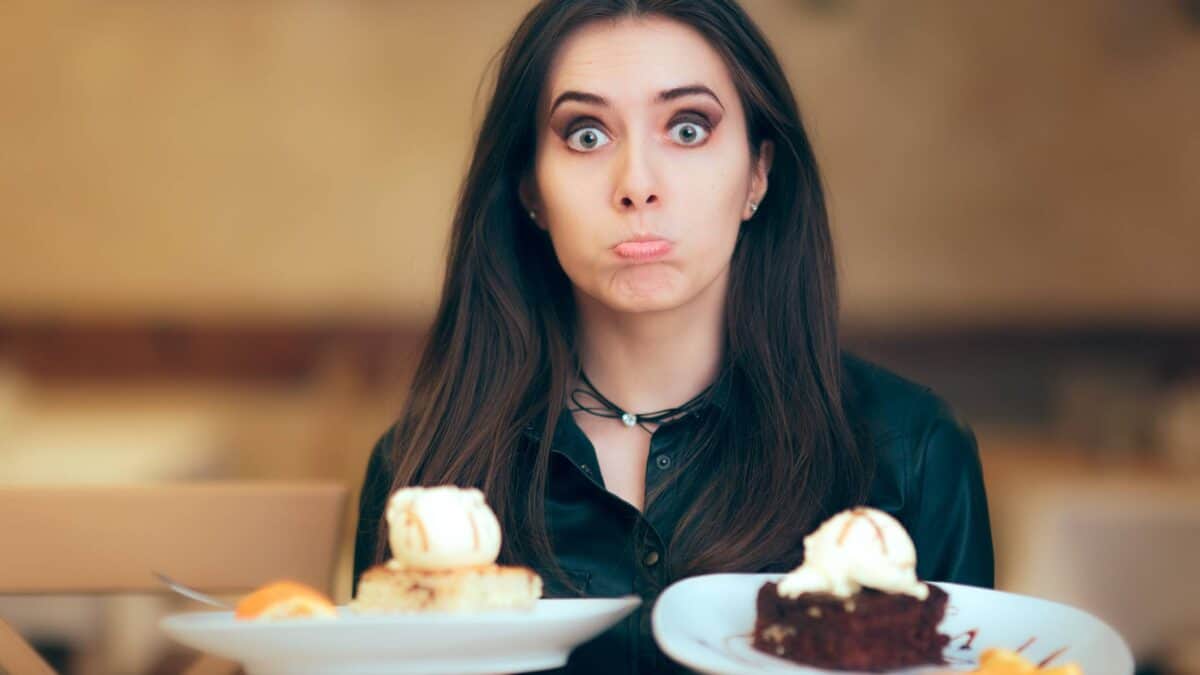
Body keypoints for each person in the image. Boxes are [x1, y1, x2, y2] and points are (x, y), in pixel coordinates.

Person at [354, 1, 993, 672]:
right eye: (586, 135)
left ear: (758, 173)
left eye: (688, 129)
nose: (637, 185)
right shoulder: (422, 470)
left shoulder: (913, 455)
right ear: (530, 189)